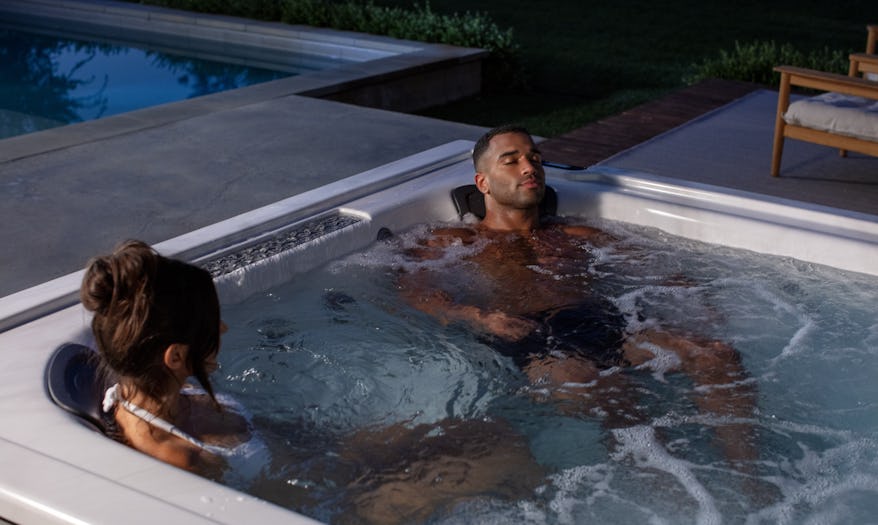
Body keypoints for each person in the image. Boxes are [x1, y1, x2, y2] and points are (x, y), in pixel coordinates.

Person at [398, 124, 757, 461]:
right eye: (512, 161)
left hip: (598, 319)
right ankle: (666, 488)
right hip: (527, 332)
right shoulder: (456, 241)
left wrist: (699, 303)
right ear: (483, 183)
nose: (530, 167)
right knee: (608, 393)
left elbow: (663, 272)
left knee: (716, 354)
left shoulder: (577, 236)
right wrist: (478, 317)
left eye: (535, 159)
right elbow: (416, 291)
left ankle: (748, 476)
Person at [81, 240, 258, 478]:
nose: (223, 328)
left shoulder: (161, 390)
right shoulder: (185, 460)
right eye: (210, 324)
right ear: (175, 356)